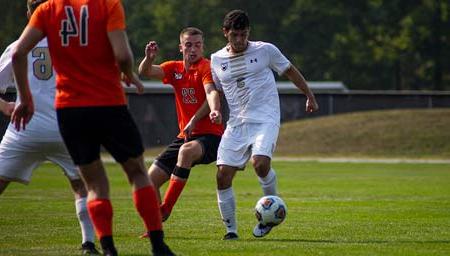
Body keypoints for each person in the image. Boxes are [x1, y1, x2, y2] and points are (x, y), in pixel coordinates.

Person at [10, 0, 174, 255]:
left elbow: (18, 53)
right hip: (108, 103)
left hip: (70, 109)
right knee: (138, 173)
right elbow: (122, 55)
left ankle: (108, 249)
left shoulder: (46, 10)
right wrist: (129, 73)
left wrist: (26, 99)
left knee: (95, 183)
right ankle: (157, 244)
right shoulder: (108, 5)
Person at [210, 9, 319, 240]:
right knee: (222, 175)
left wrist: (309, 95)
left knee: (259, 164)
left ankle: (272, 211)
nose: (239, 40)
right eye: (234, 36)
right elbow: (217, 91)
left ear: (249, 32)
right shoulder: (216, 59)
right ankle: (230, 231)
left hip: (265, 119)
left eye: (243, 34)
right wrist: (215, 110)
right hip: (237, 124)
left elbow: (290, 71)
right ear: (225, 33)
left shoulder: (265, 50)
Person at [0, 1, 99, 254]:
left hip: (25, 129)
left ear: (27, 13)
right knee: (81, 186)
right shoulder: (72, 45)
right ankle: (88, 242)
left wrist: (6, 107)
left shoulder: (16, 47)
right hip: (65, 130)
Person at [138, 27, 223, 224]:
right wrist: (149, 58)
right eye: (189, 45)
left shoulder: (206, 67)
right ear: (181, 47)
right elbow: (145, 71)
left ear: (202, 47)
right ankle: (155, 227)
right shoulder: (173, 69)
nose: (193, 49)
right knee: (149, 181)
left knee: (185, 152)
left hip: (210, 136)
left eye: (198, 45)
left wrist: (214, 110)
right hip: (186, 135)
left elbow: (211, 92)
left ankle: (166, 208)